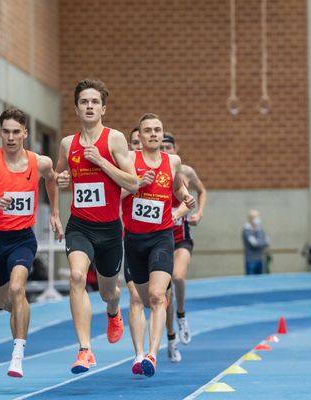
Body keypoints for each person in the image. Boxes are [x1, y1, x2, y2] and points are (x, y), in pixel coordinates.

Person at [0, 107, 63, 378]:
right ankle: (20, 312)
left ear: (25, 133)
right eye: (6, 132)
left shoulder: (39, 162)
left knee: (18, 288)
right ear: (0, 133)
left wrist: (55, 213)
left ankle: (17, 355)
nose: (10, 137)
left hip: (23, 238)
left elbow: (51, 180)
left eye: (16, 132)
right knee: (4, 301)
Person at [55, 79, 139, 374]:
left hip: (109, 230)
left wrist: (102, 162)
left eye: (94, 102)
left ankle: (113, 312)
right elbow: (60, 178)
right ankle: (84, 350)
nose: (89, 106)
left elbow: (133, 182)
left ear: (103, 108)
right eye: (84, 102)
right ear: (76, 108)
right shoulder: (68, 143)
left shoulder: (114, 139)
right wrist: (61, 183)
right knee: (77, 276)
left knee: (108, 291)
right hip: (79, 225)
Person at [121, 113, 195, 377]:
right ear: (139, 137)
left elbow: (178, 190)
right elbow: (114, 193)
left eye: (158, 130)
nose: (154, 134)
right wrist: (136, 185)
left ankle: (151, 354)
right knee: (139, 299)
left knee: (157, 296)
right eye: (148, 130)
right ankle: (138, 353)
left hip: (162, 237)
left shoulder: (173, 161)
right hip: (133, 239)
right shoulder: (129, 160)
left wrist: (186, 197)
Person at [161, 132, 208, 356]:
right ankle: (170, 338)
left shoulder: (186, 171)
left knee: (178, 276)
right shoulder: (154, 172)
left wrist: (199, 212)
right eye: (161, 148)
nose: (165, 151)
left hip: (181, 238)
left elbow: (202, 191)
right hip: (159, 238)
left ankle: (181, 315)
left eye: (168, 148)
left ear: (176, 149)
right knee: (164, 294)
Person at [242, 209, 270, 275]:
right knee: (250, 282)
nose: (257, 219)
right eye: (255, 217)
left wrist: (261, 242)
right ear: (250, 219)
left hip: (260, 259)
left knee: (261, 280)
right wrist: (262, 242)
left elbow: (267, 241)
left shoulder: (260, 229)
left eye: (258, 217)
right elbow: (254, 244)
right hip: (250, 260)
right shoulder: (246, 230)